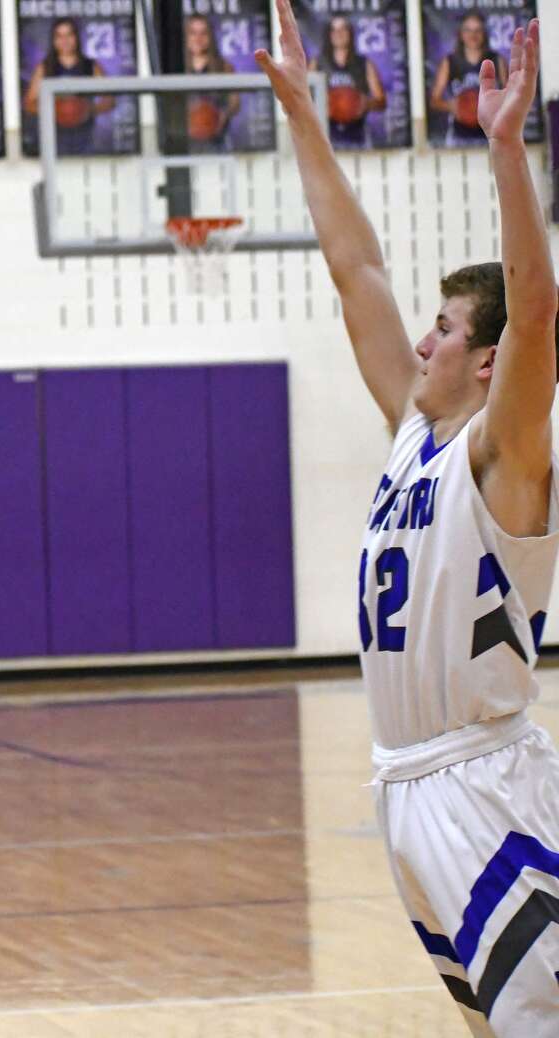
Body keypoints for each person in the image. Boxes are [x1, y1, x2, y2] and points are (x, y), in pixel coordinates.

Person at [259, 7, 558, 1033]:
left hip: (485, 787)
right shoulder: (412, 433)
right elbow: (357, 268)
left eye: (444, 329)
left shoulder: (504, 458)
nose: (421, 342)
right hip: (404, 784)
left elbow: (536, 306)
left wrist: (506, 152)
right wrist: (302, 114)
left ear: (488, 362)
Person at [23, 19, 114, 156]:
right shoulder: (45, 67)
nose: (64, 41)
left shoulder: (90, 66)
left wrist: (88, 110)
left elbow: (110, 99)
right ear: (54, 40)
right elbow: (29, 103)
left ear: (76, 38)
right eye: (59, 36)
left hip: (85, 137)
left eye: (69, 35)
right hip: (55, 137)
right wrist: (57, 110)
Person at [430, 11, 507, 147]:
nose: (473, 35)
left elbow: (509, 96)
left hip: (490, 134)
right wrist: (453, 106)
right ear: (461, 34)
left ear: (484, 34)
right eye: (468, 30)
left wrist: (494, 105)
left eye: (478, 30)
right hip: (459, 134)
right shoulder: (449, 62)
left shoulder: (497, 60)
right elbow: (434, 101)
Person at [309, 16, 386, 148]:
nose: (338, 33)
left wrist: (366, 104)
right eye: (334, 30)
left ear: (350, 33)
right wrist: (324, 105)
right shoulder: (317, 63)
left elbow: (381, 101)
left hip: (358, 135)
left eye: (343, 29)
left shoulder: (365, 64)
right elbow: (303, 98)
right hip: (326, 135)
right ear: (329, 35)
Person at [182, 15, 239, 153]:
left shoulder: (224, 67)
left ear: (210, 37)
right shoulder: (178, 68)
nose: (198, 38)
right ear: (186, 37)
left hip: (216, 140)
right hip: (185, 140)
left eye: (203, 33)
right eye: (193, 33)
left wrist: (222, 116)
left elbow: (235, 103)